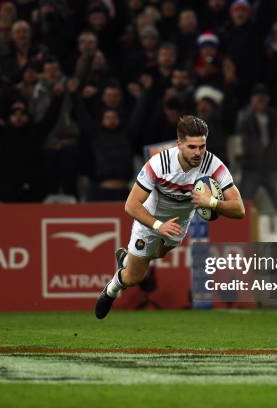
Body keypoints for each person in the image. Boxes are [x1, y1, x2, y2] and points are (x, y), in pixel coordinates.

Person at [95, 115, 245, 319]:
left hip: (179, 222)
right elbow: (131, 205)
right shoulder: (159, 164)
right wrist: (158, 225)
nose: (198, 153)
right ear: (179, 144)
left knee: (158, 254)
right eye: (192, 147)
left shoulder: (213, 165)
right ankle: (111, 289)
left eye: (202, 146)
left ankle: (127, 257)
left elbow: (239, 209)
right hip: (150, 220)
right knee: (134, 277)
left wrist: (211, 202)